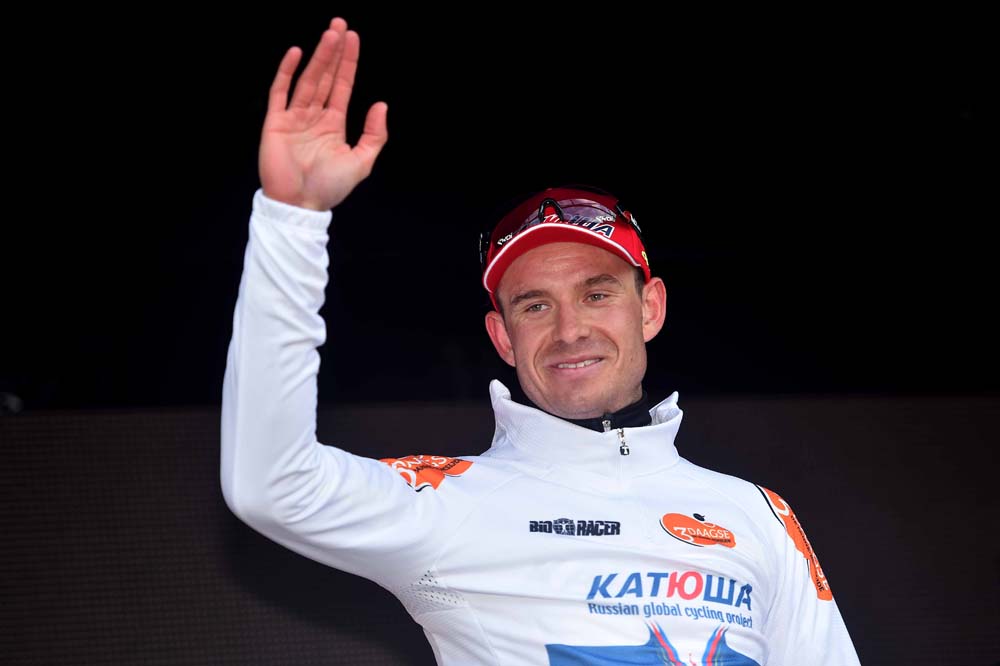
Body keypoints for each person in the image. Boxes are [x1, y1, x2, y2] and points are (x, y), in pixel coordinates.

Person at [220, 17, 862, 665]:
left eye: (596, 294)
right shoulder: (452, 507)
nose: (570, 329)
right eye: (535, 305)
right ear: (502, 337)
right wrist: (292, 219)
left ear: (650, 309)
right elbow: (272, 485)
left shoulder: (756, 514)